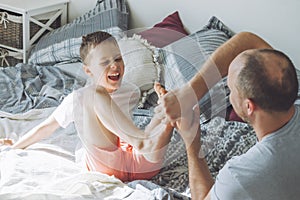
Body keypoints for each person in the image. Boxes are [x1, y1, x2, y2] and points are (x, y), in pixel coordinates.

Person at [0, 31, 173, 182]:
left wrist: (159, 117)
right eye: (105, 62)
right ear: (88, 71)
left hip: (138, 162)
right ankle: (142, 139)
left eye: (118, 58)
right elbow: (47, 127)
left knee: (171, 113)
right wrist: (16, 145)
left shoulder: (131, 91)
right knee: (91, 93)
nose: (114, 65)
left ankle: (163, 116)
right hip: (104, 163)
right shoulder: (79, 98)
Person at [158, 31, 300, 199]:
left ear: (249, 107)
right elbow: (247, 40)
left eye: (231, 89)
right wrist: (189, 93)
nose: (229, 93)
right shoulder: (284, 84)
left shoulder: (242, 175)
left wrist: (192, 143)